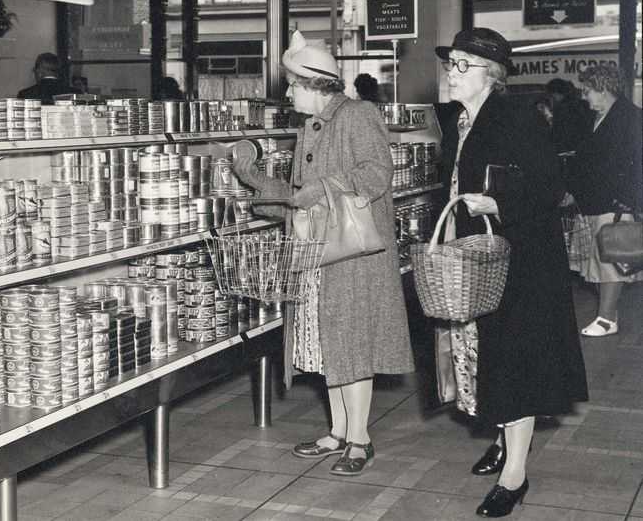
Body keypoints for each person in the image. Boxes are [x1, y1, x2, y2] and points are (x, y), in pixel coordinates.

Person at [232, 31, 414, 477]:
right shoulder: (310, 126)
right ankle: (338, 431)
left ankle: (360, 439)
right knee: (327, 344)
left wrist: (323, 189)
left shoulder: (357, 114)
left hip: (353, 255)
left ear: (314, 84)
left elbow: (377, 173)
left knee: (351, 344)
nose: (288, 93)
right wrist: (252, 178)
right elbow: (299, 198)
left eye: (292, 85)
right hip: (320, 252)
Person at [434, 28, 588, 517]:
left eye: (463, 65)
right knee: (491, 358)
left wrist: (496, 203)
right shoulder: (460, 120)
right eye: (451, 63)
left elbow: (550, 186)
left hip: (523, 262)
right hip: (482, 260)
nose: (451, 72)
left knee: (515, 363)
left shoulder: (516, 116)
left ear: (493, 75)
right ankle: (504, 442)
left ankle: (514, 476)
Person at [567, 64, 643, 337]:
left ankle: (607, 318)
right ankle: (609, 314)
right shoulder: (601, 116)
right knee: (600, 261)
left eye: (587, 91)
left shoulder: (631, 118)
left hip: (614, 203)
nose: (584, 97)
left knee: (610, 260)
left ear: (603, 88)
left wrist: (628, 201)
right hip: (596, 200)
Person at [545, 78, 592, 154]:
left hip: (567, 149)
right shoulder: (580, 103)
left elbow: (557, 134)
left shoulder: (560, 108)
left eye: (551, 96)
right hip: (582, 147)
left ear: (555, 94)